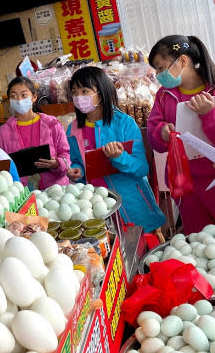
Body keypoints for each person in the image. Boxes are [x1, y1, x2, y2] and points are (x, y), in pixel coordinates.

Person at [147, 35, 215, 233]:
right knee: (201, 244)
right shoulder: (164, 95)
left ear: (182, 61)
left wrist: (211, 115)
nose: (158, 74)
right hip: (186, 186)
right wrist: (161, 133)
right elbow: (153, 136)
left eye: (161, 67)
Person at [66, 66, 165, 231]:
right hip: (99, 206)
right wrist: (76, 171)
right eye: (75, 92)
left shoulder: (124, 123)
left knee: (145, 245)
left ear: (102, 92)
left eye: (85, 91)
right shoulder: (73, 129)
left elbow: (141, 168)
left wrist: (120, 157)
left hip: (133, 202)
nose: (78, 97)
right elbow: (76, 161)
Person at [0, 77, 71, 189]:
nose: (19, 100)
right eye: (13, 96)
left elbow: (65, 155)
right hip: (22, 194)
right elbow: (1, 166)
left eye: (24, 95)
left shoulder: (52, 124)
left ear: (34, 97)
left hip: (55, 189)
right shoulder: (3, 133)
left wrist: (57, 164)